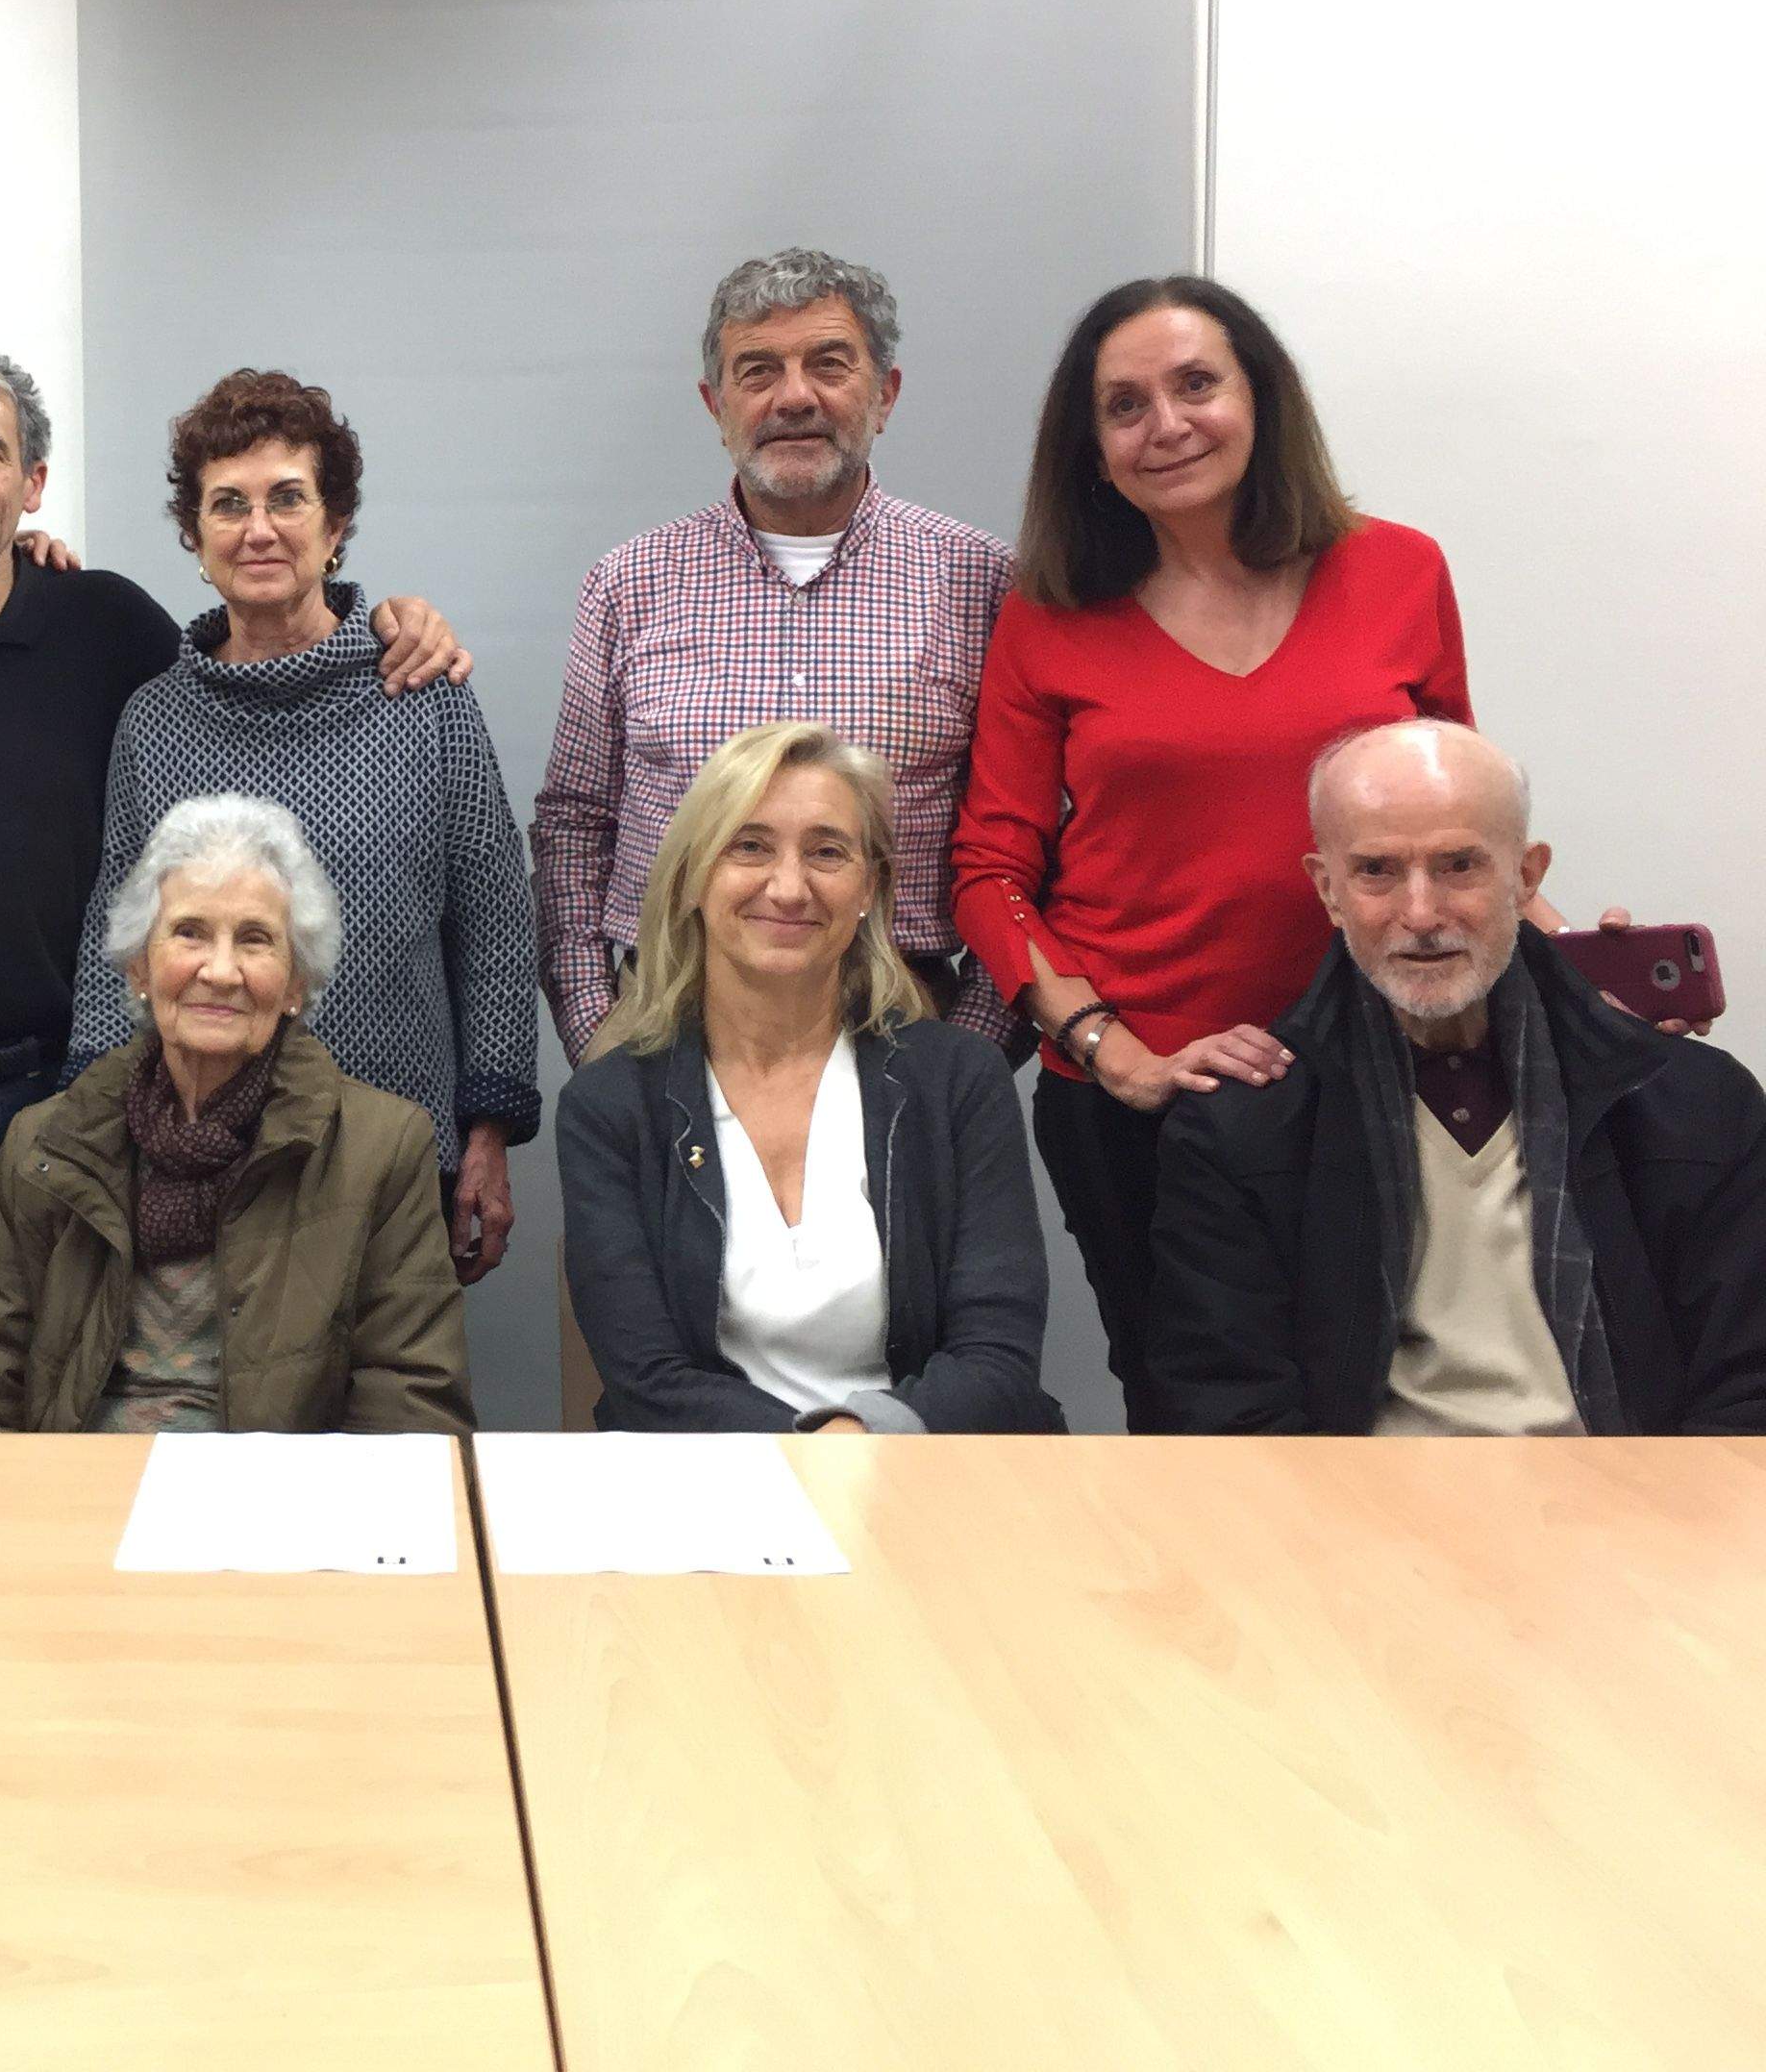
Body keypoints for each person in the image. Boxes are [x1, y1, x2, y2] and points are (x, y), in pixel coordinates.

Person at [0, 342, 470, 1431]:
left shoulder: (103, 629)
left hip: (47, 1084)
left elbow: (250, 665)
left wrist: (391, 618)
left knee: (97, 1388)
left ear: (31, 484)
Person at [952, 275, 1481, 1424]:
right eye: (1126, 405)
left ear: (1262, 400)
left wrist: (1576, 974)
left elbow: (1456, 827)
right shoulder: (1049, 613)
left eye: (1197, 384)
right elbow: (991, 871)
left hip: (1377, 1068)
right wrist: (1108, 1049)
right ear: (1093, 451)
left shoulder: (1400, 571)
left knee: (1402, 1392)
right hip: (1147, 1104)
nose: (1168, 425)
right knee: (1197, 1418)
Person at [1148, 722, 1766, 1435]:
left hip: (1632, 1515)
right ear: (1328, 889)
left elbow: (1749, 1389)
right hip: (1359, 1523)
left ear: (1527, 877)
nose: (1420, 914)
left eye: (1459, 865)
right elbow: (1227, 1410)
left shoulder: (1692, 1105)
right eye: (1377, 870)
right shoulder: (1241, 1125)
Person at [68, 369, 537, 1286]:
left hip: (398, 1154)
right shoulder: (154, 721)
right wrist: (92, 1122)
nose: (259, 529)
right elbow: (108, 943)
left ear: (336, 525)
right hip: (196, 1156)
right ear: (194, 539)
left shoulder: (422, 694)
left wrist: (489, 1130)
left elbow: (495, 924)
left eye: (288, 499)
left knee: (390, 1412)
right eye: (227, 505)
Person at [533, 248, 1017, 1065]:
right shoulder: (629, 583)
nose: (795, 397)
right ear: (716, 405)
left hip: (903, 1023)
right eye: (758, 371)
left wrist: (967, 1057)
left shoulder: (979, 581)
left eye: (829, 365)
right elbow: (575, 825)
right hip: (667, 1027)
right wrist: (598, 1036)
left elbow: (1026, 842)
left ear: (886, 394)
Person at [0, 794, 472, 1433]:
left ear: (296, 984)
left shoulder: (382, 1149)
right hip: (73, 1507)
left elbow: (410, 1417)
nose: (221, 969)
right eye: (190, 932)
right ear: (138, 969)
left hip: (271, 1517)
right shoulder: (47, 1144)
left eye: (257, 939)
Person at [560, 724, 1057, 1434]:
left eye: (827, 852)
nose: (789, 887)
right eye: (750, 846)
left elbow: (997, 1358)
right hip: (710, 1497)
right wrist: (815, 1452)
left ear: (869, 887)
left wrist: (864, 1441)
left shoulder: (958, 1081)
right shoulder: (610, 1106)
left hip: (933, 1477)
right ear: (693, 876)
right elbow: (646, 1379)